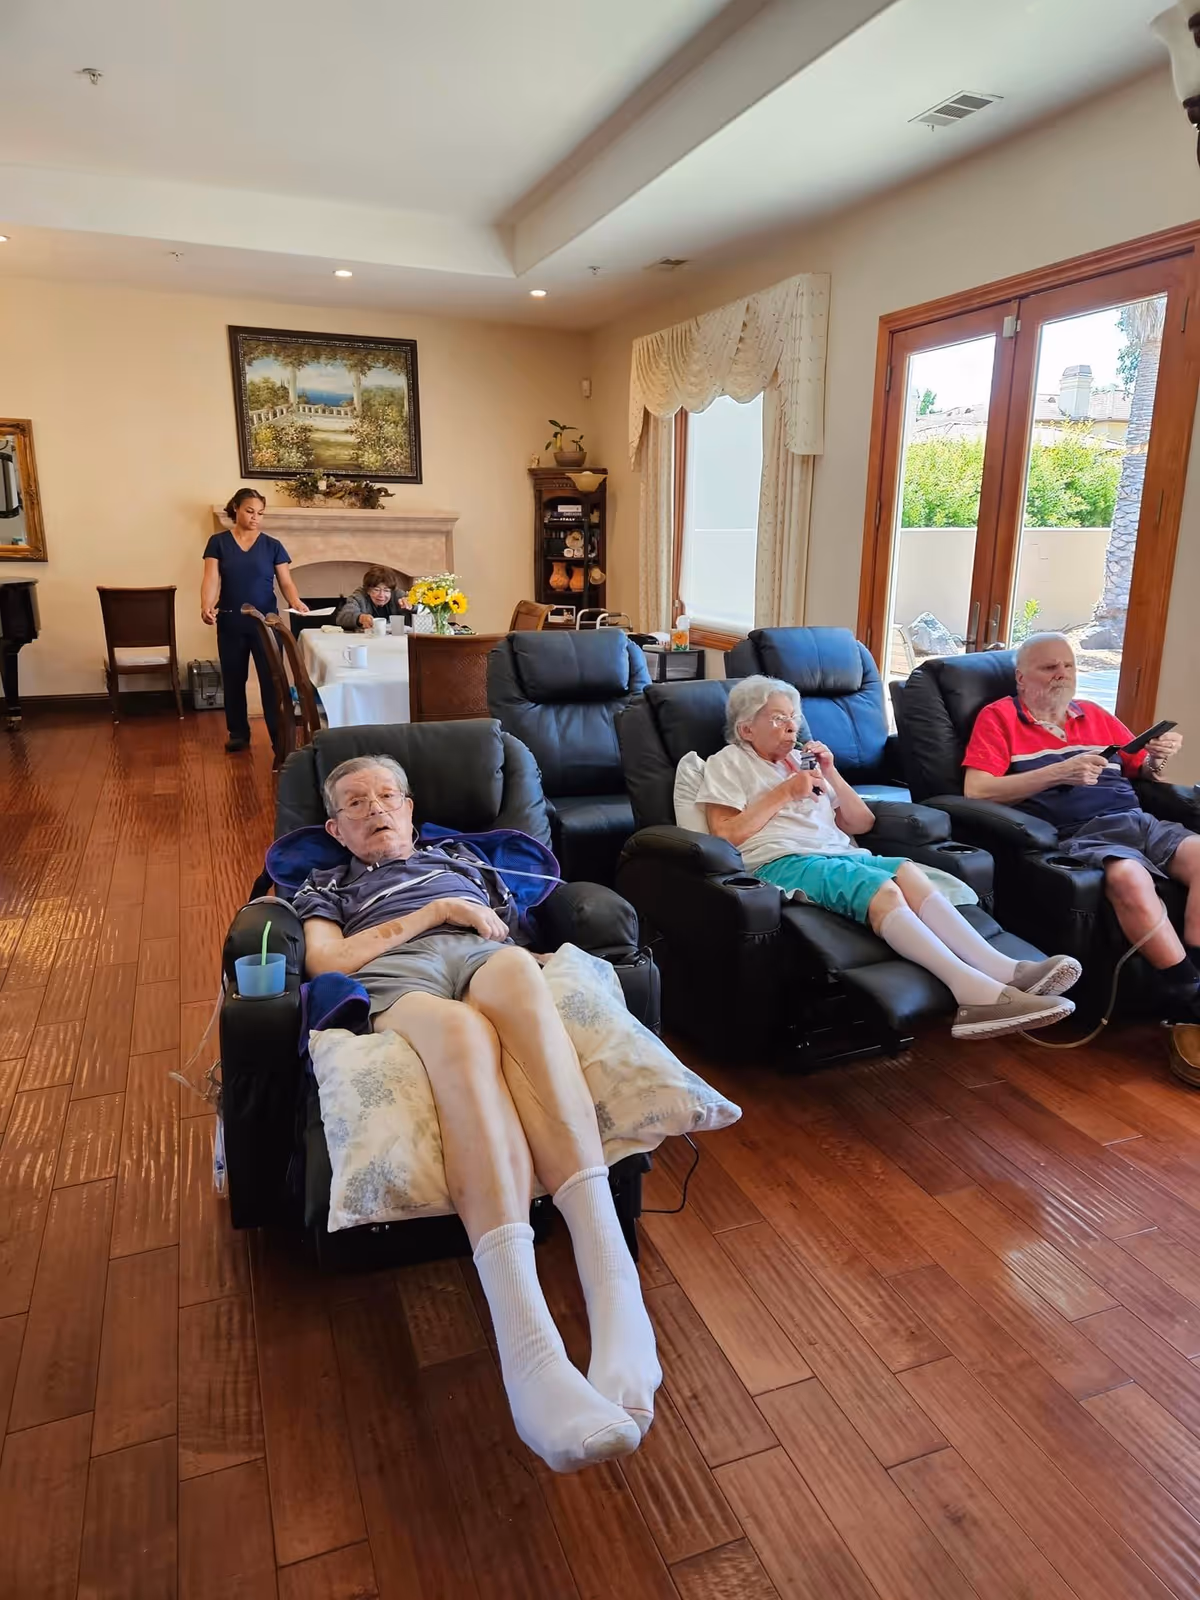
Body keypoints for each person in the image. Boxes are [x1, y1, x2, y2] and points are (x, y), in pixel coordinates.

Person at [292, 754, 660, 1474]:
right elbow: (326, 963)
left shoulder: (460, 857)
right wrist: (433, 911)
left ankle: (618, 1299)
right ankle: (530, 1356)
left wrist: (497, 931)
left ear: (410, 808)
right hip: (399, 974)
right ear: (335, 828)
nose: (376, 808)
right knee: (461, 1037)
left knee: (520, 974)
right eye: (356, 803)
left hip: (484, 954)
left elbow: (516, 927)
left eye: (388, 795)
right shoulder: (324, 885)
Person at [695, 676, 1080, 1040]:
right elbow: (724, 834)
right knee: (883, 889)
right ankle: (974, 994)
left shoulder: (803, 763)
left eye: (793, 717)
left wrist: (831, 772)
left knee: (907, 872)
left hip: (840, 853)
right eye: (778, 718)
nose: (791, 726)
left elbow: (860, 822)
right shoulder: (728, 762)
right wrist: (784, 793)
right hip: (783, 859)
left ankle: (1004, 969)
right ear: (747, 729)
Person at [964, 631, 1198, 1019]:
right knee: (1128, 877)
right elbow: (977, 790)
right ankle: (1187, 991)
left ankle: (1197, 964)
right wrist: (1058, 772)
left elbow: (1141, 770)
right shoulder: (999, 717)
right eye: (1049, 667)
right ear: (1021, 677)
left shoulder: (1094, 713)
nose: (1062, 673)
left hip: (1137, 820)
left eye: (1068, 665)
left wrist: (1157, 757)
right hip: (1081, 831)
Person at [201, 490, 309, 753]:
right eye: (250, 511)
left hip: (266, 624)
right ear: (236, 509)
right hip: (231, 621)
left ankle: (279, 738)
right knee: (233, 679)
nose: (255, 517)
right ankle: (238, 733)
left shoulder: (273, 545)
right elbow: (211, 578)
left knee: (273, 682)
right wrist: (206, 604)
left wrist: (296, 601)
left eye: (260, 513)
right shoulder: (218, 542)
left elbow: (286, 582)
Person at [335, 566, 410, 631]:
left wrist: (412, 606)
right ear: (368, 590)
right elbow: (342, 617)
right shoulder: (360, 596)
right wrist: (360, 618)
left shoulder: (398, 595)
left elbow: (416, 608)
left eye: (386, 590)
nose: (381, 595)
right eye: (376, 590)